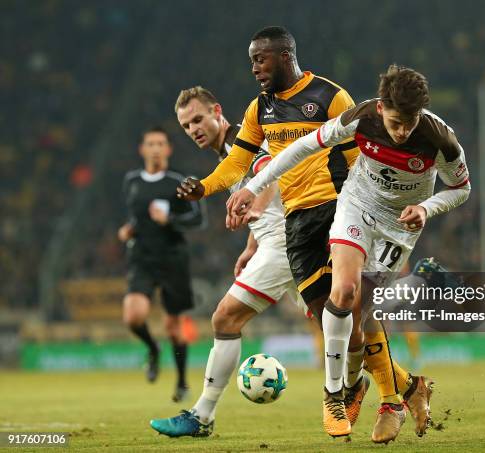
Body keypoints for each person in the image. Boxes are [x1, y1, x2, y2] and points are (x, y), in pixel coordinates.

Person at [176, 27, 420, 443]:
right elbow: (237, 164)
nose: (254, 68)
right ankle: (396, 387)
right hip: (299, 223)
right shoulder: (259, 110)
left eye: (261, 59)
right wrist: (204, 187)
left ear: (286, 56)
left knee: (351, 306)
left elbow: (359, 156)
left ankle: (360, 398)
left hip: (341, 209)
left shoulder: (330, 96)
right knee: (339, 318)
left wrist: (377, 218)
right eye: (252, 60)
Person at [227, 64, 471, 439]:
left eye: (409, 122)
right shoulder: (361, 117)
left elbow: (461, 188)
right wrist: (252, 186)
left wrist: (426, 208)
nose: (402, 131)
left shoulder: (441, 139)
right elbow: (303, 147)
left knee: (364, 315)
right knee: (342, 294)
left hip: (398, 227)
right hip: (357, 205)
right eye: (395, 122)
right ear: (381, 109)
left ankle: (382, 392)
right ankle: (334, 395)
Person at [150, 86, 304, 438]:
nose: (194, 130)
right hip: (278, 241)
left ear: (217, 111)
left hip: (285, 242)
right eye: (187, 126)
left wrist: (259, 207)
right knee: (341, 324)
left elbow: (272, 172)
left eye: (198, 119)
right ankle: (404, 388)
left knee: (225, 317)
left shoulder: (240, 142)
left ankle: (201, 416)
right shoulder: (227, 155)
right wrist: (251, 245)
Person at [118, 126, 204, 402]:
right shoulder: (131, 181)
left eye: (160, 144)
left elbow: (197, 219)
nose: (155, 148)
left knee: (173, 327)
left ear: (168, 150)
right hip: (142, 258)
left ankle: (181, 381)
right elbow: (134, 215)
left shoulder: (178, 182)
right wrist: (128, 229)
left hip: (172, 260)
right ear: (142, 149)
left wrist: (171, 221)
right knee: (133, 316)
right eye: (150, 143)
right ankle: (153, 349)